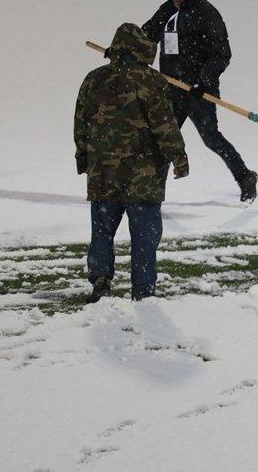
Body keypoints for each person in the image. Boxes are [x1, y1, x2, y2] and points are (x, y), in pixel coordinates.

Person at [74, 23, 189, 302]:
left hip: (103, 173)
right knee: (145, 236)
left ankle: (100, 281)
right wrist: (178, 156)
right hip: (143, 176)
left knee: (102, 232)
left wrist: (84, 157)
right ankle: (143, 288)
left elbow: (81, 123)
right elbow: (164, 124)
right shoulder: (151, 80)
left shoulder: (94, 79)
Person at [142, 0, 258, 202]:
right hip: (171, 89)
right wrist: (124, 51)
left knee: (211, 138)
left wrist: (203, 81)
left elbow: (221, 54)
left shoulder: (207, 14)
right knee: (163, 141)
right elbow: (147, 34)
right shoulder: (167, 10)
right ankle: (152, 196)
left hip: (199, 93)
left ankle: (245, 176)